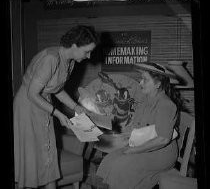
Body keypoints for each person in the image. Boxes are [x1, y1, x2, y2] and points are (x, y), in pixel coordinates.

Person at [13, 25, 99, 189]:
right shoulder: (51, 58)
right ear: (74, 46)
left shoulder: (70, 62)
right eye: (86, 51)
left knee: (48, 153)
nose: (89, 56)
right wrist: (58, 114)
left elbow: (56, 89)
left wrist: (76, 107)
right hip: (27, 106)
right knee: (32, 156)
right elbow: (32, 94)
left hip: (43, 103)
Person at [96, 62, 185, 189]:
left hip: (162, 153)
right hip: (144, 145)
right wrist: (119, 137)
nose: (140, 83)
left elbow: (163, 139)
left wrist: (134, 150)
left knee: (122, 165)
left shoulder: (166, 105)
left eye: (145, 80)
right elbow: (137, 128)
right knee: (110, 159)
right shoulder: (145, 101)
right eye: (141, 79)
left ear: (158, 84)